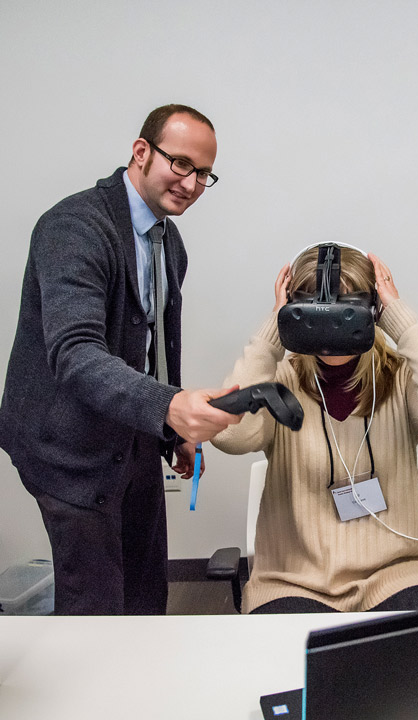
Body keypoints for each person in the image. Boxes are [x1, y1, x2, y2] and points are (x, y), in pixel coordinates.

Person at [0, 104, 242, 614]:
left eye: (204, 173)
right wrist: (170, 406)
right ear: (140, 152)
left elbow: (150, 347)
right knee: (96, 609)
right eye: (181, 164)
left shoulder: (168, 241)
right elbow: (76, 352)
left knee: (148, 595)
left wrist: (170, 430)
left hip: (131, 433)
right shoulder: (73, 227)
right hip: (65, 448)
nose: (192, 184)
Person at [212, 245, 418, 613]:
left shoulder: (401, 379)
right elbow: (228, 435)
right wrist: (274, 329)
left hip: (398, 572)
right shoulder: (278, 383)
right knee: (302, 667)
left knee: (416, 664)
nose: (332, 324)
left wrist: (400, 318)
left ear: (373, 309)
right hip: (293, 579)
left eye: (347, 308)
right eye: (316, 310)